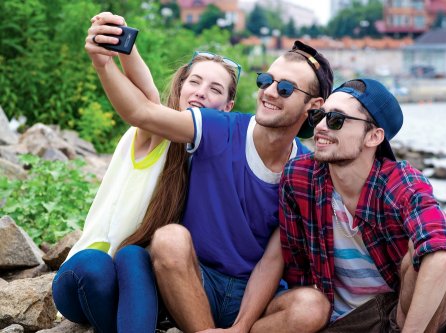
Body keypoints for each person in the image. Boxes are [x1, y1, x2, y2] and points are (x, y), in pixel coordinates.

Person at [87, 14, 335, 332]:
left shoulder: (305, 170)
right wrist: (103, 63)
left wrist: (241, 326)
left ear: (313, 107)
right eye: (265, 80)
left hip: (254, 295)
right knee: (169, 239)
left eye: (285, 88)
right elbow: (142, 111)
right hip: (193, 282)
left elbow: (273, 260)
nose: (270, 92)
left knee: (313, 307)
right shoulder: (219, 128)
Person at [52, 13, 239, 333]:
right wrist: (116, 52)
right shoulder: (156, 131)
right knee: (99, 266)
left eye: (214, 88)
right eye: (194, 82)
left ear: (227, 106)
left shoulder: (214, 155)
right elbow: (148, 95)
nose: (201, 92)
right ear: (180, 87)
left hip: (137, 285)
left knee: (135, 258)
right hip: (87, 275)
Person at [256, 78, 446, 333]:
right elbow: (295, 266)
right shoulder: (300, 177)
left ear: (373, 136)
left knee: (431, 250)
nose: (322, 127)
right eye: (319, 116)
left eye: (336, 119)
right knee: (306, 305)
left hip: (401, 318)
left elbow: (444, 255)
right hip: (338, 320)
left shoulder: (400, 183)